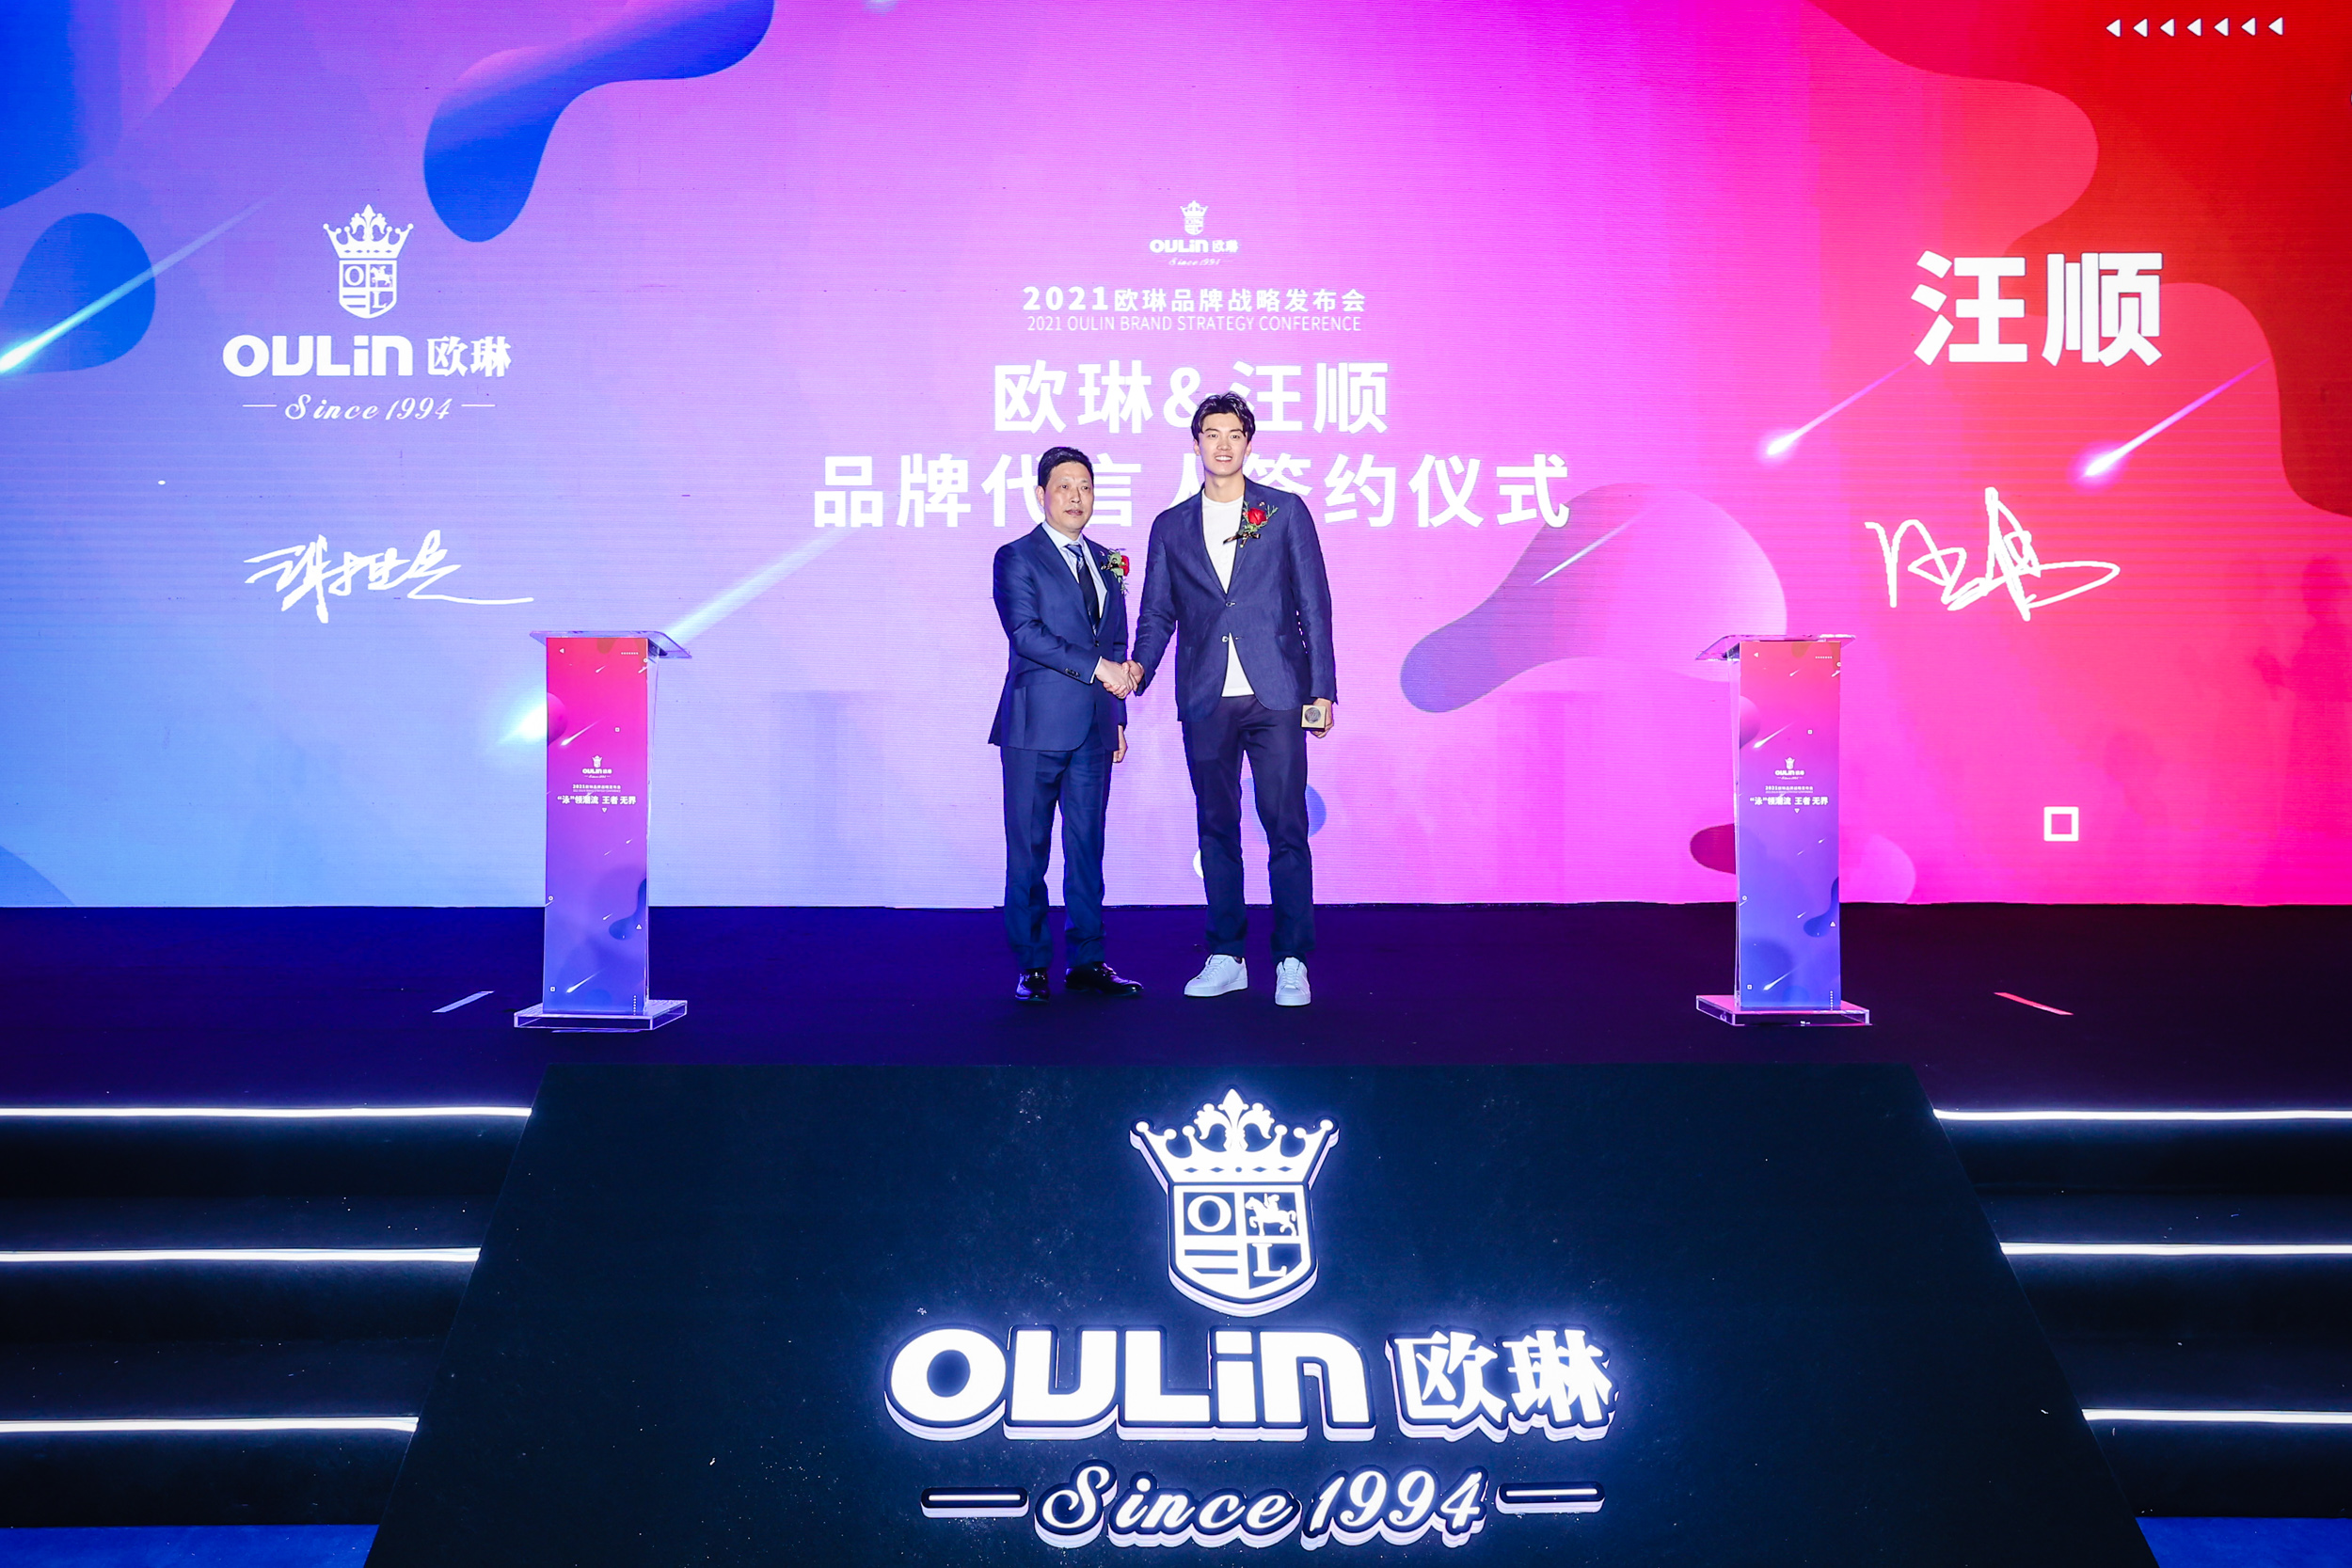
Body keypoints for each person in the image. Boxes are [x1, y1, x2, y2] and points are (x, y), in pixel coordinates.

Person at [1129, 393, 1336, 1006]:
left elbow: (1314, 605)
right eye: (1211, 433)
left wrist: (1322, 689)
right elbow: (1157, 612)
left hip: (1277, 695)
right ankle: (1227, 955)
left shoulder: (1283, 511)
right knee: (1216, 828)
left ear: (1249, 442)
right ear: (1196, 442)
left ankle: (1292, 959)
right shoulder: (1171, 526)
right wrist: (1137, 670)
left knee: (1285, 827)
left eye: (1234, 434)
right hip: (1206, 696)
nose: (1223, 444)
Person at [989, 447, 1145, 1003]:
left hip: (1094, 729)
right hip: (1034, 727)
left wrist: (1117, 715)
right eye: (1064, 487)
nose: (1077, 497)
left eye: (1086, 487)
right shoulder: (1016, 557)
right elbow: (1025, 634)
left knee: (1086, 848)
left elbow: (1115, 642)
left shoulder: (1106, 560)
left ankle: (1088, 960)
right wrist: (1099, 669)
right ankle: (1032, 965)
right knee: (1028, 851)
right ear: (1041, 495)